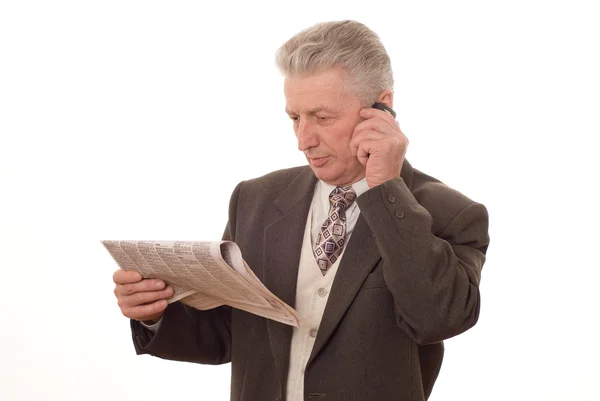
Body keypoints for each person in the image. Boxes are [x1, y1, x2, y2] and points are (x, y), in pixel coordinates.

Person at [113, 20, 490, 401]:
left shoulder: (451, 213)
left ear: (382, 109)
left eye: (323, 118)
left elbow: (438, 319)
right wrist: (154, 312)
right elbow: (227, 333)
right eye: (295, 118)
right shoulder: (255, 198)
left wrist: (385, 189)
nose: (303, 141)